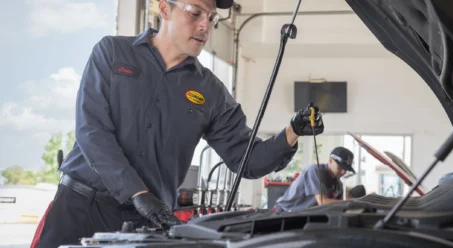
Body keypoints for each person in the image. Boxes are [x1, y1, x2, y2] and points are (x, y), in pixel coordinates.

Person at [32, 0, 324, 247]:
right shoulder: (111, 53)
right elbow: (92, 132)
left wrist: (292, 132)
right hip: (77, 208)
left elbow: (246, 160)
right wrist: (138, 192)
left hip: (143, 225)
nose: (205, 26)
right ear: (164, 9)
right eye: (195, 12)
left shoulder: (211, 92)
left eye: (211, 18)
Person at [273, 147, 355, 212]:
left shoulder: (338, 185)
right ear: (330, 161)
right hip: (285, 212)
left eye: (346, 169)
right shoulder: (314, 171)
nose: (343, 172)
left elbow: (337, 207)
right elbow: (323, 202)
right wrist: (352, 203)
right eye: (340, 168)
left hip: (303, 216)